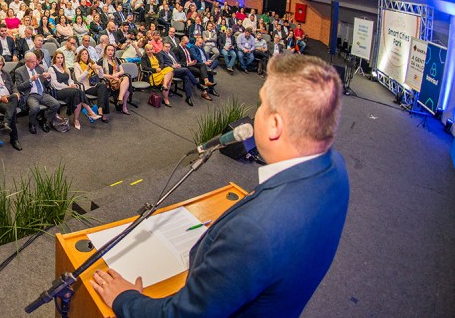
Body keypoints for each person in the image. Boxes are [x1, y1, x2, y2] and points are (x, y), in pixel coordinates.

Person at [91, 55, 349, 318]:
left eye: (261, 105)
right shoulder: (335, 169)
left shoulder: (253, 232)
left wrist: (124, 299)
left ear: (275, 126)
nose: (254, 114)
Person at [48, 51, 100, 130]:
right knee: (77, 92)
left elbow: (70, 80)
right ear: (55, 59)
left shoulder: (65, 69)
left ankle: (77, 119)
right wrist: (67, 86)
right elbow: (54, 84)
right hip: (58, 91)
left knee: (77, 94)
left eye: (61, 58)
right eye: (58, 58)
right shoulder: (52, 69)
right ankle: (89, 112)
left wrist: (72, 84)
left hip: (68, 90)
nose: (60, 60)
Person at [15, 52, 63, 134]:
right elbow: (19, 87)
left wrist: (48, 78)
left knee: (56, 104)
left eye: (35, 61)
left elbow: (46, 84)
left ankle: (45, 120)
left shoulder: (39, 68)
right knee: (35, 108)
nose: (35, 63)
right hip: (30, 95)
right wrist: (31, 80)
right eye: (32, 62)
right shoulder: (19, 71)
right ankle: (32, 123)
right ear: (26, 61)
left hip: (42, 93)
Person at [74, 48, 110, 122]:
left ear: (88, 55)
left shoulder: (92, 63)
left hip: (94, 85)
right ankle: (104, 114)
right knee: (104, 91)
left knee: (103, 86)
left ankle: (100, 108)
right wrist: (87, 70)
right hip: (85, 87)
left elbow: (100, 76)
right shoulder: (77, 65)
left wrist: (100, 69)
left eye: (86, 54)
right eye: (82, 54)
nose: (84, 56)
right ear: (80, 56)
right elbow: (78, 79)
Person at [98, 44, 131, 114]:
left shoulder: (116, 60)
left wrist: (117, 74)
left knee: (127, 77)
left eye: (112, 50)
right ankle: (120, 102)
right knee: (126, 83)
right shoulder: (101, 61)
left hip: (117, 78)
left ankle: (122, 101)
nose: (110, 52)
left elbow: (122, 71)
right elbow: (100, 74)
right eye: (109, 50)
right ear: (105, 51)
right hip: (108, 80)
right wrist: (112, 76)